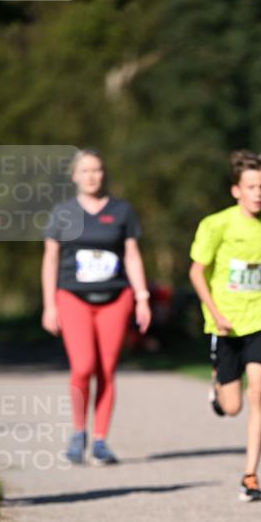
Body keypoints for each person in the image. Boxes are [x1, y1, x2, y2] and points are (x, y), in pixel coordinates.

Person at [189, 149, 261, 501]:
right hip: (224, 322)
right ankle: (218, 387)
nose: (259, 193)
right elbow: (196, 272)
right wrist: (215, 313)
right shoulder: (216, 224)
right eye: (251, 186)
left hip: (260, 316)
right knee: (232, 406)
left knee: (259, 388)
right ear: (236, 190)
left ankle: (251, 476)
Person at [41, 149, 151, 464]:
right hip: (72, 297)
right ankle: (78, 433)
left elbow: (131, 254)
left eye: (97, 170)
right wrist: (49, 304)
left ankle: (100, 439)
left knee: (106, 369)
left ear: (104, 174)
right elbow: (49, 258)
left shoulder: (122, 211)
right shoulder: (62, 213)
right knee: (83, 366)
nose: (92, 176)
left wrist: (142, 296)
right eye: (85, 171)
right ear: (74, 176)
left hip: (116, 298)